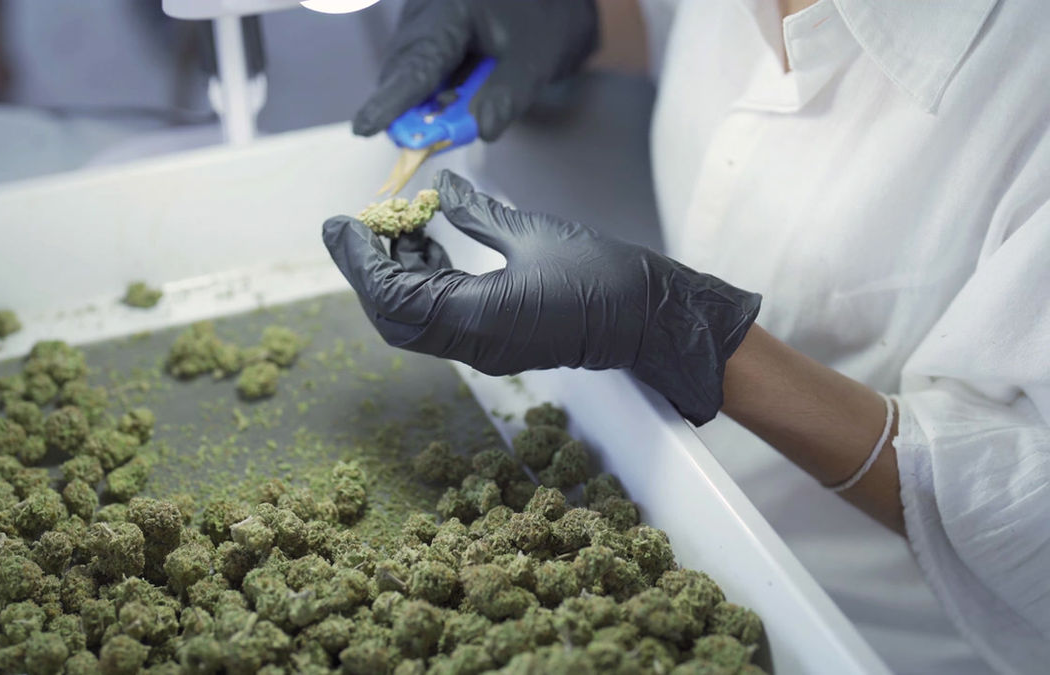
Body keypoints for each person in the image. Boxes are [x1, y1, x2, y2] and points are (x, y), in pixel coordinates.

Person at [322, 0, 1050, 673]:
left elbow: (1028, 509)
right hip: (665, 511)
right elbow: (679, 18)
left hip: (861, 628)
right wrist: (570, 13)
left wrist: (680, 330)